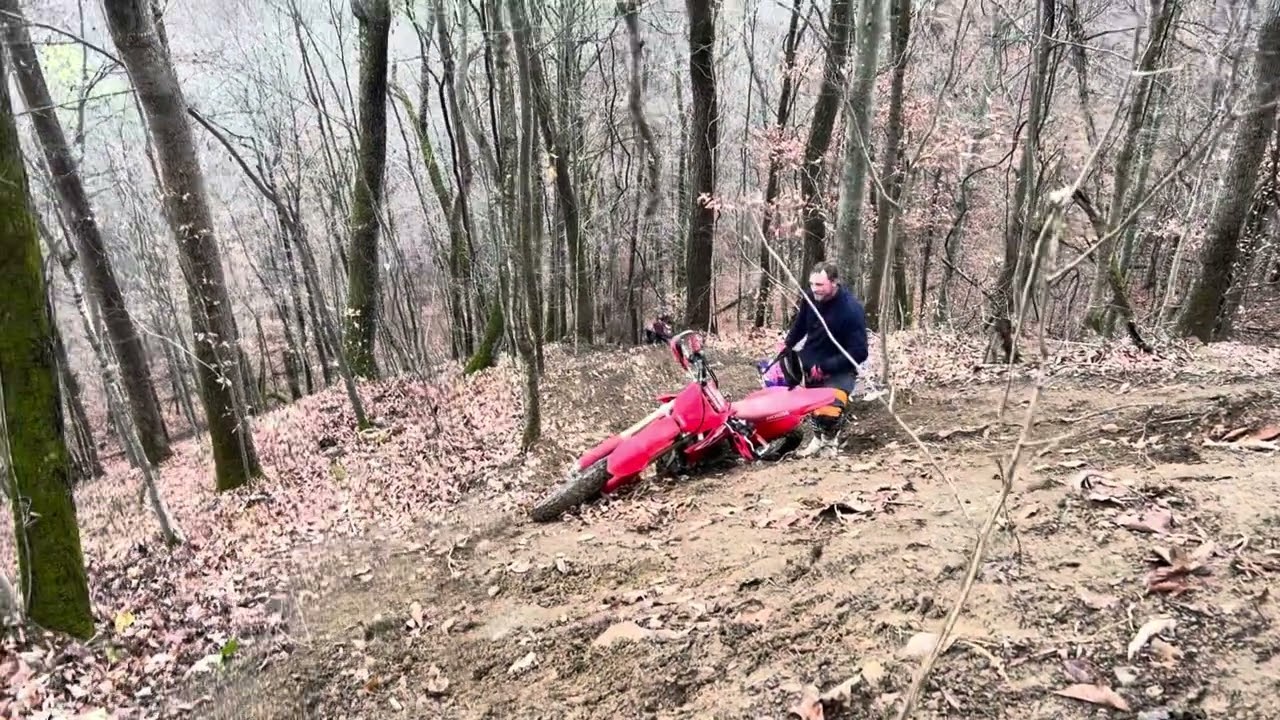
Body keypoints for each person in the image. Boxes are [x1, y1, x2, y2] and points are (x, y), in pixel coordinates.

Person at [781, 262, 869, 458]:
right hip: (811, 360)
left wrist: (827, 367)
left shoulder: (851, 310)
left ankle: (830, 444)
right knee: (812, 407)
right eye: (812, 284)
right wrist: (787, 345)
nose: (814, 289)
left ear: (834, 282)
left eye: (820, 285)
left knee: (829, 410)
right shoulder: (810, 297)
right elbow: (801, 324)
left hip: (840, 367)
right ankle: (818, 440)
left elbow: (859, 352)